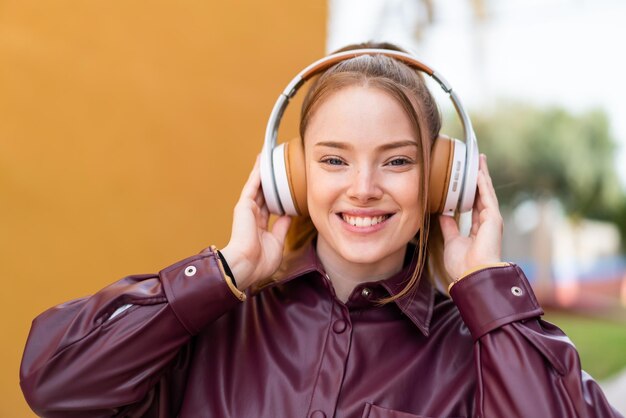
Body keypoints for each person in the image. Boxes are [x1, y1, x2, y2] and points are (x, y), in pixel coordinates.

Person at [20, 42, 621, 418]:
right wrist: (224, 272)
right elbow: (53, 385)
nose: (363, 187)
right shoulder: (212, 326)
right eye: (334, 159)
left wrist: (488, 294)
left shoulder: (480, 353)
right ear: (290, 175)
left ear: (444, 180)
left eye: (398, 160)